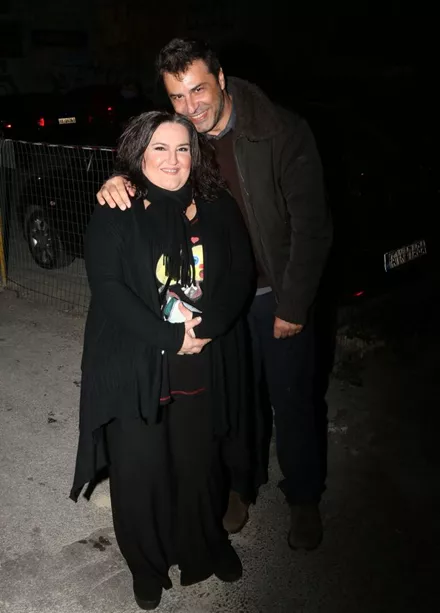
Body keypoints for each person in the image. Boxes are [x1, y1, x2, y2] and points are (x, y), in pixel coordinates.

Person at [96, 38, 333, 551]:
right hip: (215, 294)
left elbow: (312, 228)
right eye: (177, 96)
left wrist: (294, 304)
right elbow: (152, 159)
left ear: (221, 79)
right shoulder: (188, 138)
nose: (190, 106)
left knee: (292, 398)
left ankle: (303, 497)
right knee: (234, 399)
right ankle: (240, 486)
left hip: (273, 292)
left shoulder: (280, 131)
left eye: (198, 89)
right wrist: (119, 179)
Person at [71, 110, 255, 610]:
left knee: (200, 464)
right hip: (137, 362)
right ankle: (146, 565)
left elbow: (240, 272)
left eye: (182, 149)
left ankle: (207, 543)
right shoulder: (119, 206)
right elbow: (108, 288)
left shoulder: (215, 203)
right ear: (139, 153)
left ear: (195, 155)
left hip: (200, 358)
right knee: (140, 471)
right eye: (160, 148)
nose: (173, 160)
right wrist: (170, 336)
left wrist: (207, 331)